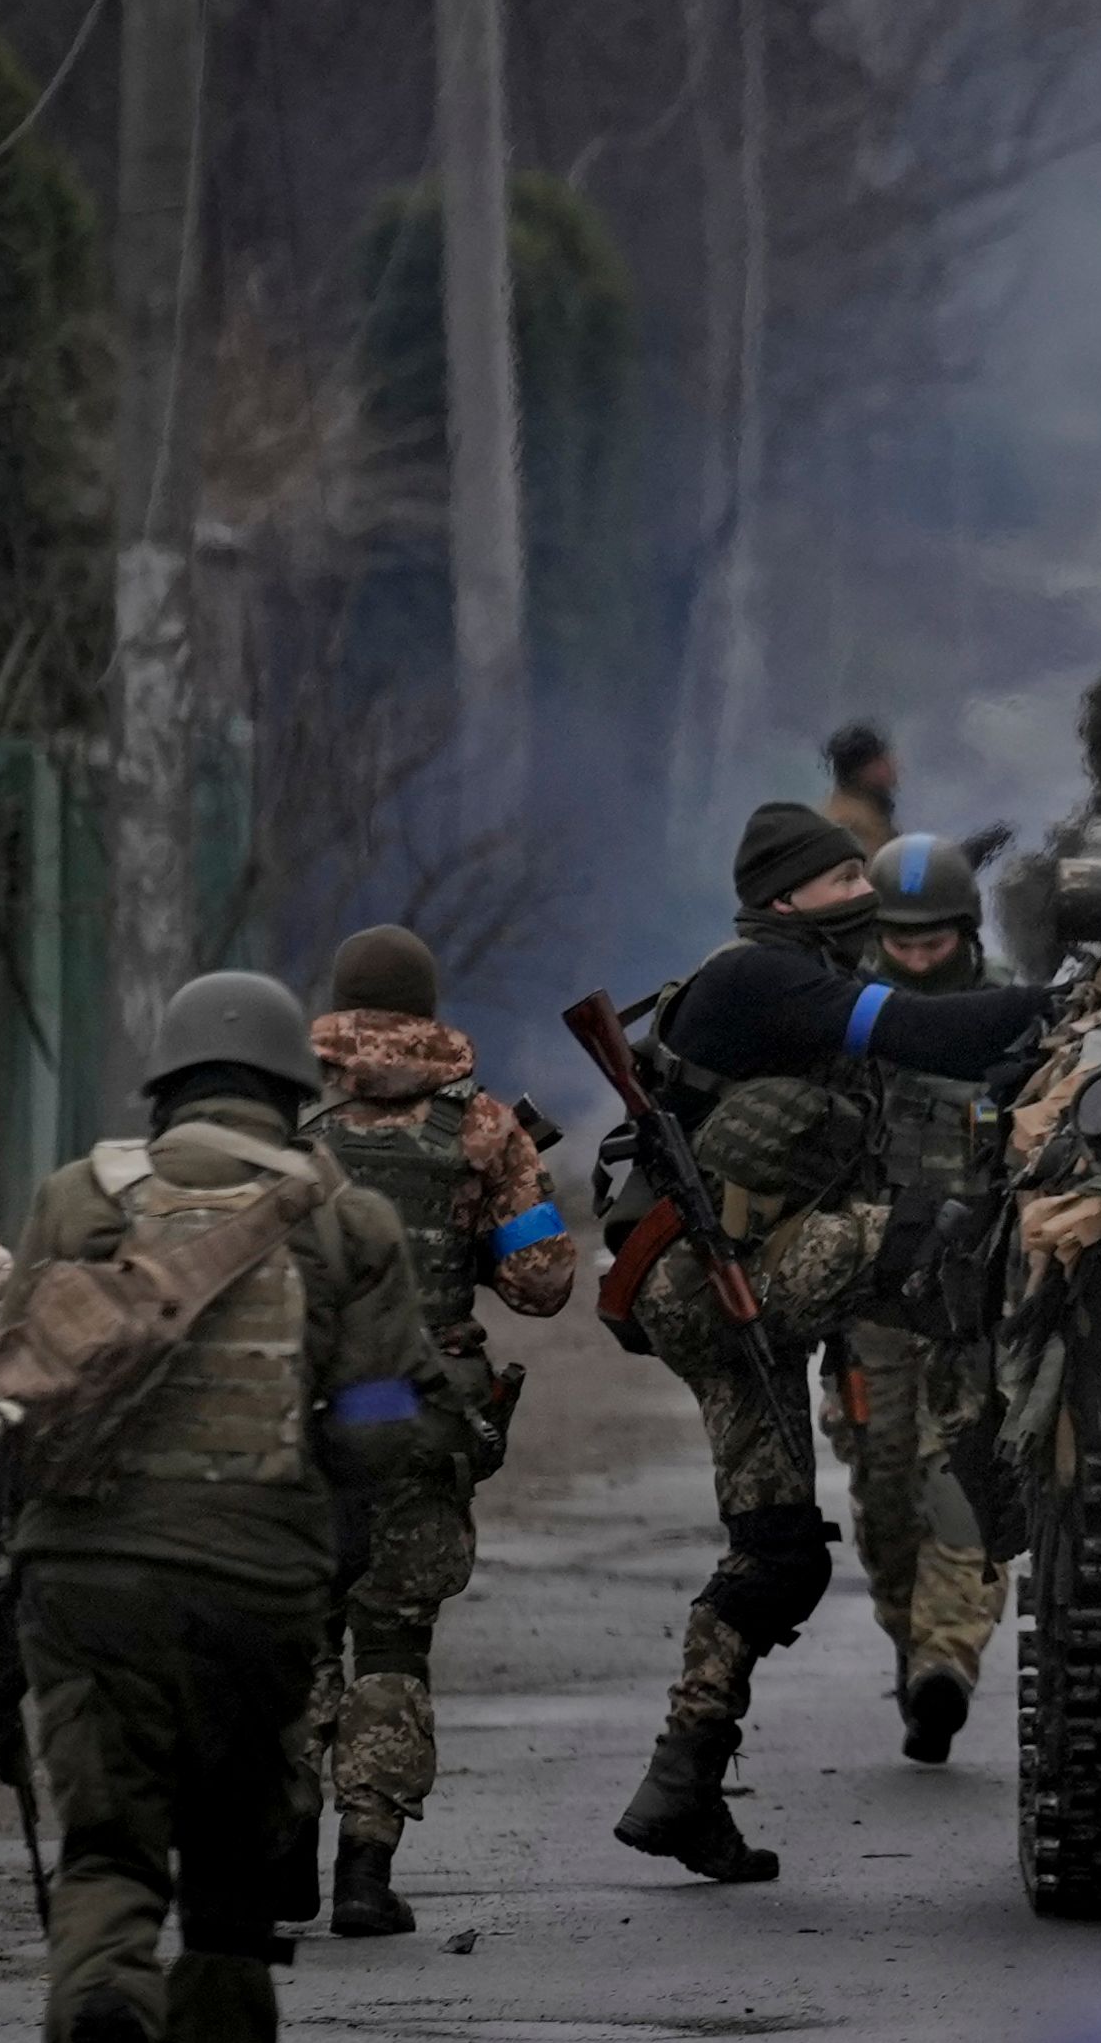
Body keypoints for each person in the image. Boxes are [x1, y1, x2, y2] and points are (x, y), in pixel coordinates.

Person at [5, 973, 456, 2043]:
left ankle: (106, 2014)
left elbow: (23, 1385)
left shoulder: (75, 1201)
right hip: (254, 1593)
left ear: (165, 1089)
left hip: (85, 1582)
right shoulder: (344, 1221)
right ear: (286, 1096)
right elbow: (379, 1425)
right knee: (231, 1895)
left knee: (107, 1846)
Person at [607, 805, 1056, 1882]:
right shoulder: (763, 977)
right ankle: (1009, 1464)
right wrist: (1068, 1007)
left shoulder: (781, 969)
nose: (862, 890)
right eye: (840, 877)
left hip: (720, 1297)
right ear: (783, 898)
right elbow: (927, 1031)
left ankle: (683, 1783)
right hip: (725, 1283)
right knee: (954, 1240)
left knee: (779, 1558)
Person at [297, 925, 576, 1935]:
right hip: (416, 1407)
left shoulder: (294, 1120)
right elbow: (542, 1285)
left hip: (305, 1405)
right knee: (394, 1637)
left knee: (295, 1624)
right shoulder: (483, 1127)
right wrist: (512, 1206)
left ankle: (283, 1848)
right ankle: (364, 1869)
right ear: (427, 1008)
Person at [834, 838, 1016, 1762]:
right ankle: (915, 1645)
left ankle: (947, 1661)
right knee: (885, 1488)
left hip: (976, 1298)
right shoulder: (848, 1019)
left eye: (931, 941)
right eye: (896, 940)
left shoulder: (1013, 1016)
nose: (914, 957)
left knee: (963, 1486)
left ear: (965, 932)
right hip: (872, 1297)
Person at [822, 724, 899, 852]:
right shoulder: (852, 826)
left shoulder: (872, 817)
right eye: (881, 762)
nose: (892, 767)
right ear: (862, 770)